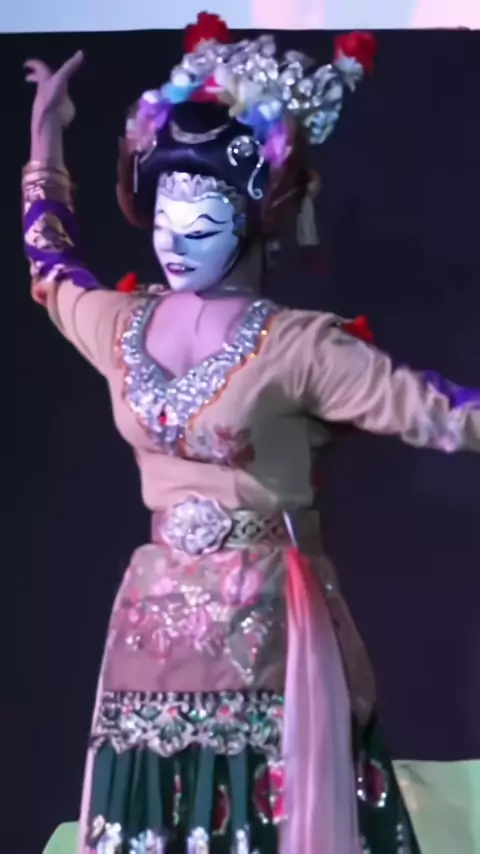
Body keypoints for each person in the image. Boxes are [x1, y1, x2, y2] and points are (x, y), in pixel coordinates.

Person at [23, 13, 480, 854]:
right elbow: (50, 269)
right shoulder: (122, 323)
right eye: (164, 221)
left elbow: (438, 411)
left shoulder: (297, 348)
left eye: (199, 225)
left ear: (254, 214)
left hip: (266, 627)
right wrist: (43, 149)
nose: (173, 244)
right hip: (152, 630)